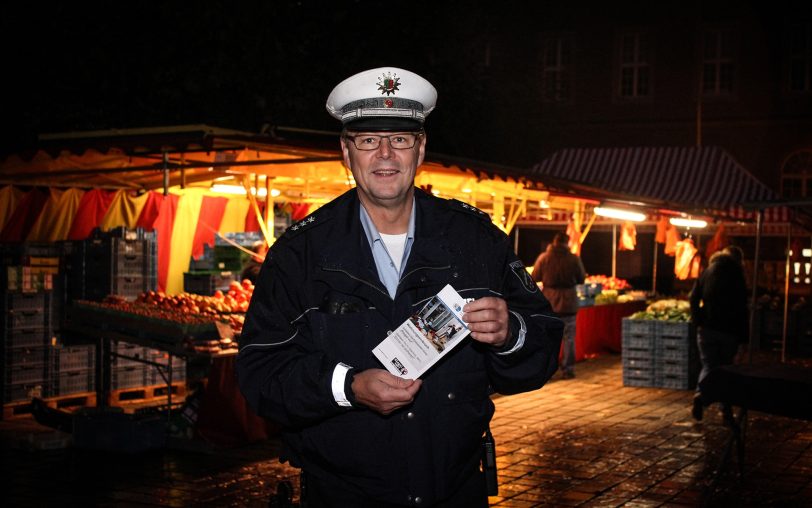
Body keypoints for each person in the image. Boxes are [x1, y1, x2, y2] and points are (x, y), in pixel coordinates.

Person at [236, 66, 563, 507]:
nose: (385, 154)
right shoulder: (300, 255)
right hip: (343, 495)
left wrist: (511, 334)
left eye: (401, 139)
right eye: (368, 141)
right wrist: (348, 387)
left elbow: (541, 349)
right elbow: (261, 376)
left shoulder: (476, 240)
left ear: (421, 147)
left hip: (455, 491)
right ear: (346, 152)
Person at [689, 245, 748, 421]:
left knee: (708, 365)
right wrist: (744, 338)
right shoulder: (737, 275)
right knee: (726, 368)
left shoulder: (708, 271)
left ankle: (700, 395)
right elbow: (742, 308)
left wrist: (698, 320)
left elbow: (693, 297)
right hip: (728, 330)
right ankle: (726, 409)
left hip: (706, 329)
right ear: (738, 260)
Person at [531, 232, 586, 379]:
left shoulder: (544, 258)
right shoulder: (573, 258)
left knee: (549, 338)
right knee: (569, 338)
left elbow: (534, 277)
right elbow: (581, 279)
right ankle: (568, 369)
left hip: (550, 302)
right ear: (567, 243)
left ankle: (546, 369)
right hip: (569, 303)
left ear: (553, 242)